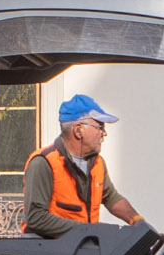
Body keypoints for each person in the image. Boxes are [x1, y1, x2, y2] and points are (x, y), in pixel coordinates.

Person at [21, 94, 144, 239]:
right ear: (78, 130)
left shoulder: (97, 163)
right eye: (100, 127)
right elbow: (36, 218)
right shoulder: (43, 163)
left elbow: (111, 197)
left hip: (81, 248)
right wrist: (90, 231)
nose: (104, 133)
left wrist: (138, 222)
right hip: (49, 252)